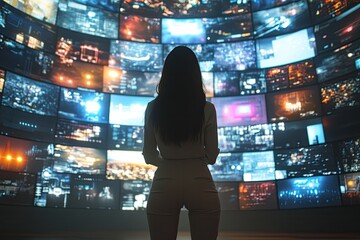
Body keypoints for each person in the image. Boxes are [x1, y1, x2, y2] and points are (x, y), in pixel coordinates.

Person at [142, 46, 221, 240]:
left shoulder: (152, 109)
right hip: (200, 180)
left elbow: (149, 154)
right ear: (195, 74)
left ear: (166, 74)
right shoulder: (207, 109)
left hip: (164, 182)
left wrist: (169, 161)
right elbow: (211, 156)